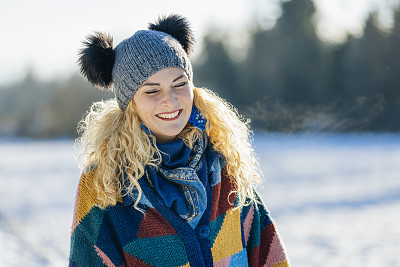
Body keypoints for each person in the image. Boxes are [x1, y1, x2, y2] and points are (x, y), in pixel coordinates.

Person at [69, 14, 290, 267]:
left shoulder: (224, 165)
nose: (171, 100)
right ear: (130, 104)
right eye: (152, 90)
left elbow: (269, 256)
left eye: (179, 84)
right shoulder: (104, 182)